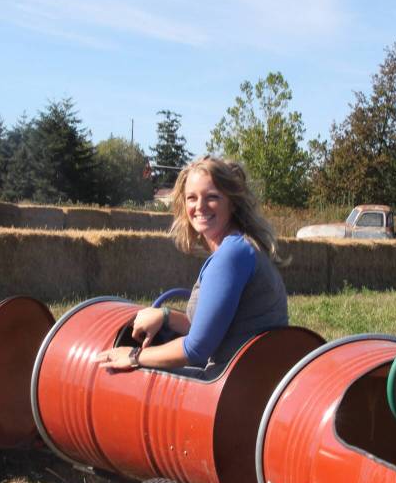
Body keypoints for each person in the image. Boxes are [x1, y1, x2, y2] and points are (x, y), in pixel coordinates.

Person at [97, 156, 288, 375]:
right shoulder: (244, 247)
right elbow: (213, 327)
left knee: (115, 373)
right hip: (250, 379)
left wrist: (133, 356)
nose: (200, 206)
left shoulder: (231, 255)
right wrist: (166, 315)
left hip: (228, 386)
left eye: (212, 197)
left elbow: (197, 348)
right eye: (192, 198)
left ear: (232, 202)